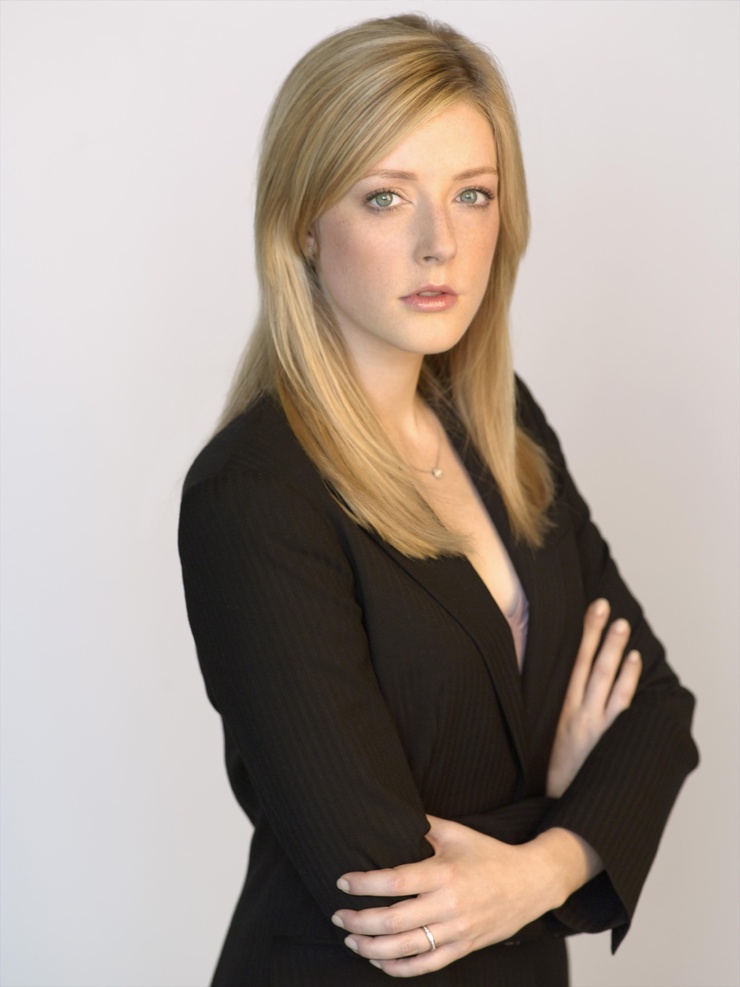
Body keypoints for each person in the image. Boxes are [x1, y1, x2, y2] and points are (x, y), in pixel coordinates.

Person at [178, 14, 698, 986]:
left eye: (472, 194)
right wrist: (568, 806)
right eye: (385, 197)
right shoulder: (253, 497)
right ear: (302, 222)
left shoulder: (500, 424)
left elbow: (656, 711)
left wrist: (531, 868)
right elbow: (390, 890)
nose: (440, 244)